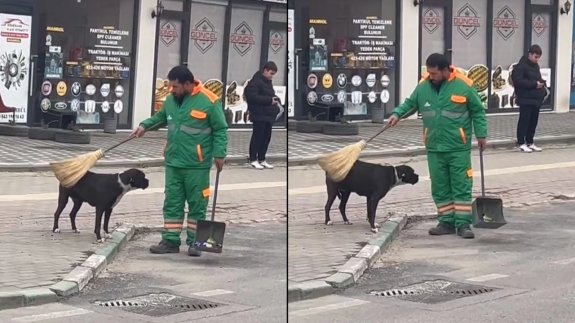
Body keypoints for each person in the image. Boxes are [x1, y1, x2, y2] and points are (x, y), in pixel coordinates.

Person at [387, 53, 488, 239]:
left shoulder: (464, 85)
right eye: (428, 73)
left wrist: (481, 135)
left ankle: (463, 224)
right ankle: (446, 222)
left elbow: (478, 111)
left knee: (461, 185)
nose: (430, 76)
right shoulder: (424, 86)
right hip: (434, 147)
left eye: (433, 73)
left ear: (444, 70)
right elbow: (411, 103)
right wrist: (397, 114)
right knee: (440, 186)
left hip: (458, 147)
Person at [132, 65, 228, 256]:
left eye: (175, 87)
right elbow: (160, 118)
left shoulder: (209, 101)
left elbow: (220, 130)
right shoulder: (170, 100)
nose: (171, 90)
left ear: (187, 84)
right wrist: (144, 126)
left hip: (197, 165)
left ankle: (196, 243)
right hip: (174, 162)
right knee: (172, 203)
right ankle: (170, 241)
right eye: (170, 86)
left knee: (197, 204)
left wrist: (220, 154)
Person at [244, 61, 280, 170]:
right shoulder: (256, 82)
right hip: (259, 114)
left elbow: (269, 94)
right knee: (257, 137)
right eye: (271, 73)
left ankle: (262, 159)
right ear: (265, 70)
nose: (272, 76)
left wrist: (275, 100)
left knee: (266, 138)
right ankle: (253, 159)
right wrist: (269, 100)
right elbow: (252, 97)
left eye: (274, 74)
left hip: (268, 115)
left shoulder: (268, 82)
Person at [512, 44, 546, 153]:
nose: (537, 59)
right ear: (530, 54)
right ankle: (521, 142)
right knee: (524, 120)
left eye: (538, 57)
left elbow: (537, 78)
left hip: (535, 98)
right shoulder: (520, 66)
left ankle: (530, 142)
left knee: (533, 121)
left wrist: (541, 82)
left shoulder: (536, 66)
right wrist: (534, 84)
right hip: (525, 98)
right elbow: (518, 81)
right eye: (535, 57)